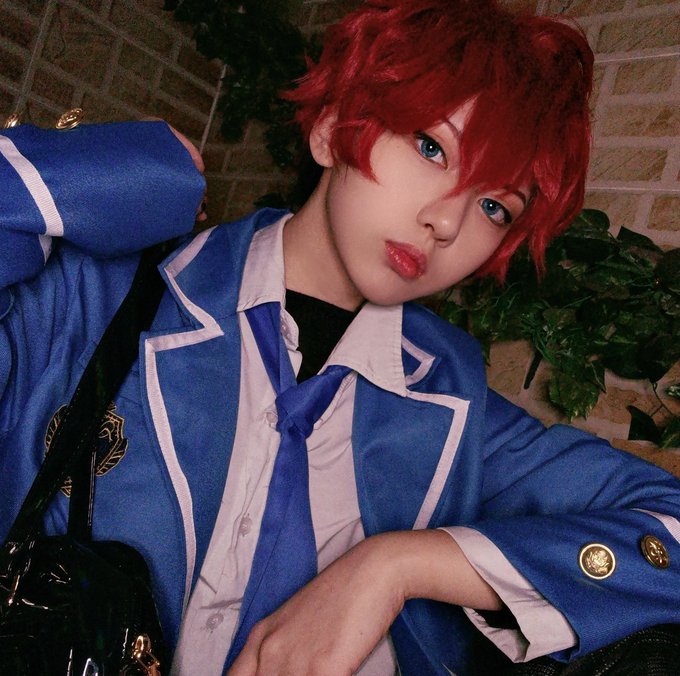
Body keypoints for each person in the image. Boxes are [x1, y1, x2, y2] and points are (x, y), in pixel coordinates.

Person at [1, 1, 679, 674]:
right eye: (431, 147)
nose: (447, 222)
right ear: (331, 128)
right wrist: (95, 173)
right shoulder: (88, 304)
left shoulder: (451, 406)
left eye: (495, 206)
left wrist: (397, 566)